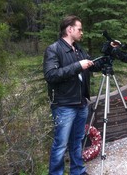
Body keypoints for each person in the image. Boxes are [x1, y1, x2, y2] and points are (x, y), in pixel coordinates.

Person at [43, 15, 102, 175]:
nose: (82, 32)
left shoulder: (79, 50)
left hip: (81, 103)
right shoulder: (54, 49)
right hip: (64, 105)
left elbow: (93, 66)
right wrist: (77, 66)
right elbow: (51, 75)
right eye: (79, 29)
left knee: (77, 141)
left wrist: (108, 51)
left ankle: (78, 171)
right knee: (61, 144)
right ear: (70, 29)